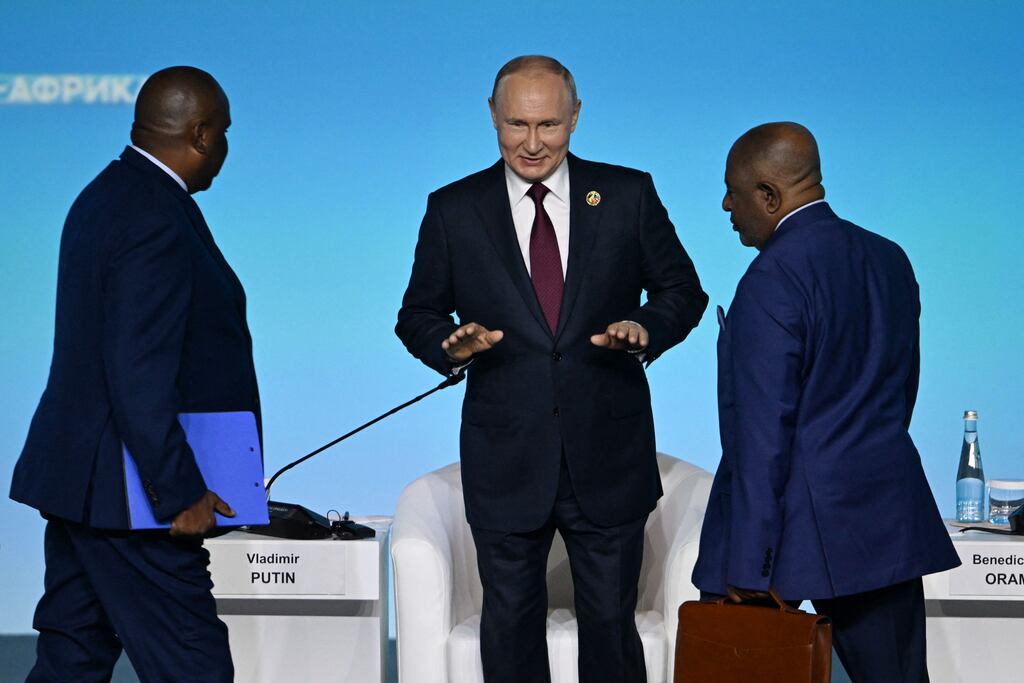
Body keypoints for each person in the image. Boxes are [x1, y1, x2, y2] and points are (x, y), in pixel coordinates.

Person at [396, 55, 708, 683]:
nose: (533, 143)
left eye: (549, 125)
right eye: (516, 124)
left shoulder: (626, 194)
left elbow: (683, 290)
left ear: (575, 117)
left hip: (608, 450)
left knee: (609, 626)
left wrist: (646, 329)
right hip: (506, 454)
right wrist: (447, 344)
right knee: (508, 626)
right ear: (491, 116)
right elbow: (417, 313)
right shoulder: (454, 208)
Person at [10, 66, 257, 682]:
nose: (226, 148)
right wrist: (179, 493)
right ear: (201, 135)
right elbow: (137, 370)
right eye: (224, 133)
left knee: (73, 656)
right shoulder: (154, 216)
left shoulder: (107, 193)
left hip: (81, 487)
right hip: (133, 502)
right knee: (193, 666)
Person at [692, 122, 960, 682]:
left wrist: (748, 565)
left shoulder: (773, 277)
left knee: (740, 671)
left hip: (791, 534)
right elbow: (897, 393)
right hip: (884, 516)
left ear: (768, 196)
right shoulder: (889, 259)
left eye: (733, 192)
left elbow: (763, 437)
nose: (725, 205)